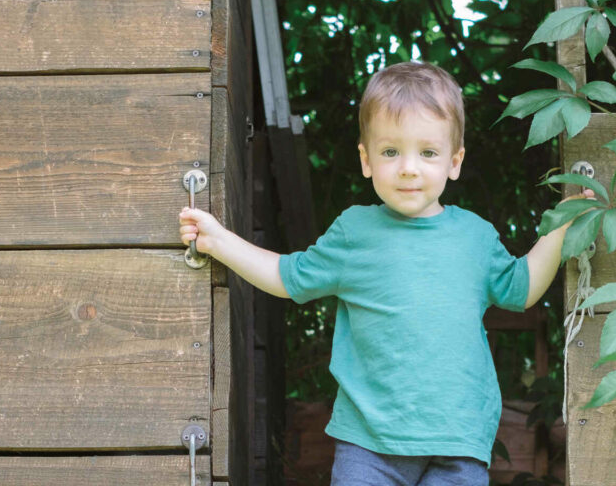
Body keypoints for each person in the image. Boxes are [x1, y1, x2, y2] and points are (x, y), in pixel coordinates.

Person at [179, 61, 593, 485]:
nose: (409, 168)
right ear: (366, 159)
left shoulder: (475, 236)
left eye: (427, 152)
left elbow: (521, 288)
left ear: (455, 161)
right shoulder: (355, 231)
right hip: (369, 444)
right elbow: (289, 277)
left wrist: (563, 228)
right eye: (391, 151)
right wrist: (219, 242)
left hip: (458, 441)